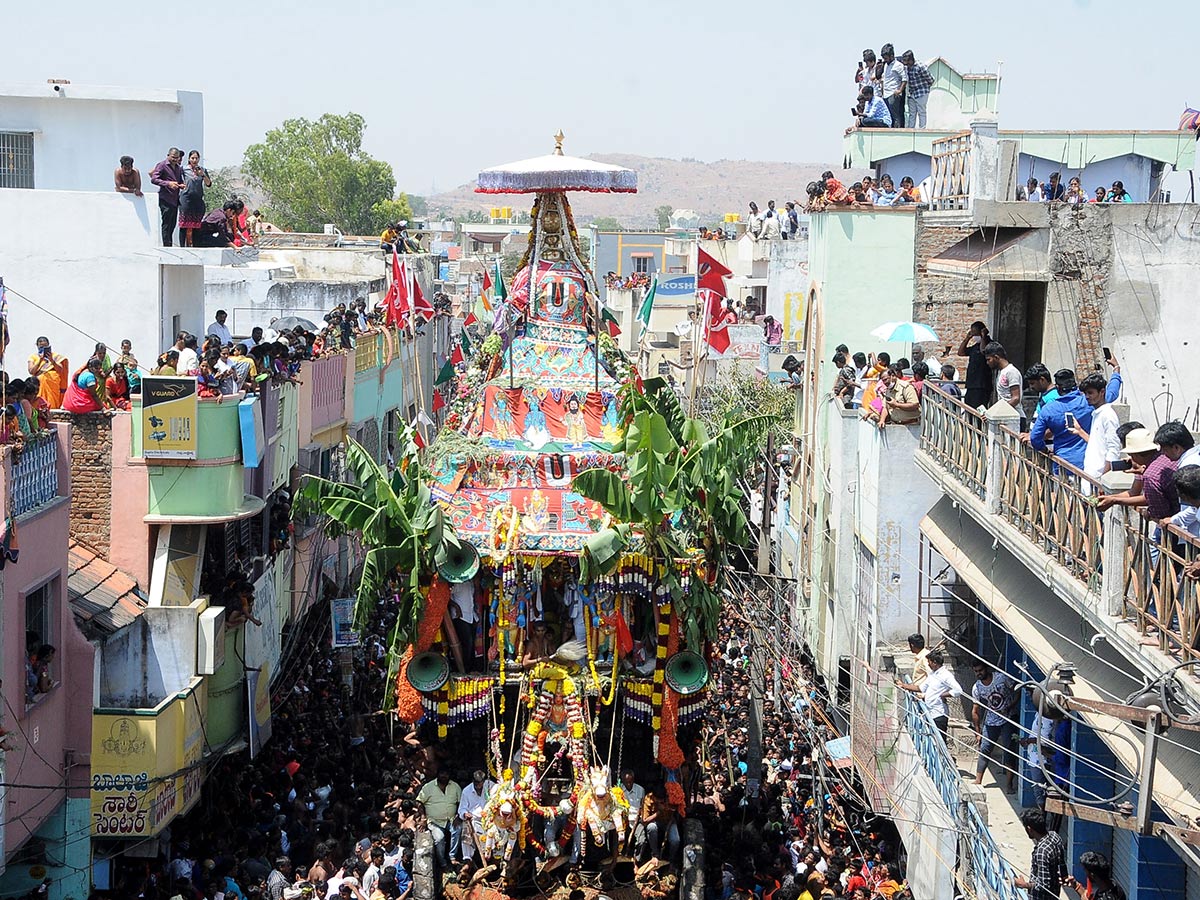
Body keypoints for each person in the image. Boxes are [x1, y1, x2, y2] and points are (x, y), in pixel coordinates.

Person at [1029, 369, 1093, 470]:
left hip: (1061, 463)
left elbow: (1035, 438)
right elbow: (1112, 393)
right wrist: (1116, 370)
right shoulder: (1089, 402)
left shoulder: (1049, 409)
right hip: (1086, 463)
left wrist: (1044, 449)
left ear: (1057, 387)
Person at [970, 661, 1017, 791]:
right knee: (985, 749)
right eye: (976, 671)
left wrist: (1010, 706)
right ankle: (978, 779)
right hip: (991, 722)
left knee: (1009, 751)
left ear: (987, 669)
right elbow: (975, 710)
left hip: (1008, 719)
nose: (979, 673)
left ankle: (1009, 785)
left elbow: (1017, 690)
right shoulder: (977, 688)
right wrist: (978, 732)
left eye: (981, 670)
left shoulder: (1001, 678)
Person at [895, 650, 961, 741]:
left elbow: (958, 690)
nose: (928, 664)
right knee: (931, 740)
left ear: (935, 662)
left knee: (939, 742)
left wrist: (943, 695)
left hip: (939, 714)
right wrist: (904, 686)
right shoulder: (933, 675)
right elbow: (921, 688)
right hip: (930, 713)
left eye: (929, 662)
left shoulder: (946, 675)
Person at [1074, 371, 1122, 488]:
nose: (1087, 397)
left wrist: (1103, 481)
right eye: (1085, 393)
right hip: (1090, 475)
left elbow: (1113, 450)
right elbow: (1097, 443)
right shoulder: (1097, 413)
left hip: (1098, 479)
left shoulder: (1108, 415)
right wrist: (1080, 431)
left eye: (1090, 393)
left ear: (1102, 392)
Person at [1013, 808, 1067, 900]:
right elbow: (1062, 864)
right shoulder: (1055, 836)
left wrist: (1024, 885)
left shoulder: (1042, 852)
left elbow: (1044, 886)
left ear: (1029, 829)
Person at [416, 770, 461, 866]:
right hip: (434, 821)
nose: (444, 775)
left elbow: (460, 803)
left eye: (446, 773)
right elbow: (419, 802)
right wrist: (423, 818)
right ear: (437, 775)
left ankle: (452, 856)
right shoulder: (428, 787)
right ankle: (442, 863)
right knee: (440, 838)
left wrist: (457, 815)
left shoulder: (455, 786)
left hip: (451, 819)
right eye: (442, 773)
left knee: (458, 829)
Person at [150, 147, 186, 246]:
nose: (175, 159)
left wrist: (181, 185)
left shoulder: (178, 168)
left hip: (174, 200)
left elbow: (179, 180)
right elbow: (154, 179)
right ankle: (166, 246)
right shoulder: (162, 165)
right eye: (173, 157)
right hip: (165, 199)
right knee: (166, 224)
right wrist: (168, 183)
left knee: (172, 224)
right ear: (168, 155)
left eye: (177, 158)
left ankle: (169, 245)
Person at [456, 770, 494, 864]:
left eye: (480, 782)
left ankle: (494, 856)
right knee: (466, 827)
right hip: (474, 819)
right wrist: (465, 814)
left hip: (490, 819)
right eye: (476, 782)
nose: (478, 785)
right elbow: (462, 809)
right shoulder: (466, 791)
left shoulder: (491, 786)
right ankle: (467, 858)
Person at [178, 150, 212, 247]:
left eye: (196, 158)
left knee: (196, 224)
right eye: (192, 158)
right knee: (184, 223)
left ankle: (196, 246)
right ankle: (182, 247)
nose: (194, 160)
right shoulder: (183, 169)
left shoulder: (203, 170)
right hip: (186, 199)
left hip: (197, 199)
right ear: (189, 159)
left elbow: (208, 184)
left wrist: (202, 175)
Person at [957, 321, 992, 409]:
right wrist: (967, 338)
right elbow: (961, 352)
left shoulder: (989, 344)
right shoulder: (975, 346)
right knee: (969, 407)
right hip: (971, 384)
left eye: (976, 334)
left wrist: (984, 336)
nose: (974, 336)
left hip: (982, 385)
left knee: (979, 408)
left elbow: (983, 351)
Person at [871, 364, 919, 428]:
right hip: (896, 425)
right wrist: (882, 420)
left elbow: (915, 405)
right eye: (883, 381)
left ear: (893, 376)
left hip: (911, 426)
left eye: (885, 379)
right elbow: (885, 408)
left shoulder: (905, 387)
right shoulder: (888, 390)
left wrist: (897, 405)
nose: (884, 383)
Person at [27, 337, 68, 409]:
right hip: (39, 383)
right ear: (37, 346)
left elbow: (60, 370)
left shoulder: (55, 356)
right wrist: (40, 360)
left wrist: (52, 360)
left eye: (45, 346)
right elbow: (31, 371)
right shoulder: (33, 357)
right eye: (41, 346)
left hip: (52, 382)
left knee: (52, 403)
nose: (43, 348)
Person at [983, 341, 1022, 412]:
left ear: (996, 357)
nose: (987, 363)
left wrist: (997, 411)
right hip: (1004, 415)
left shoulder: (1011, 371)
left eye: (989, 359)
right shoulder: (1001, 372)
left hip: (1014, 417)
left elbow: (1015, 398)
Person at [899, 50, 932, 128]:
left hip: (921, 92)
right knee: (912, 113)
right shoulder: (907, 67)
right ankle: (911, 130)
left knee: (921, 112)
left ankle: (922, 130)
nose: (905, 63)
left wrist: (924, 88)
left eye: (906, 61)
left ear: (911, 59)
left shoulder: (920, 66)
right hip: (912, 93)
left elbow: (930, 79)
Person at [879, 43, 906, 129]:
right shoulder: (886, 65)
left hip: (893, 93)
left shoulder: (898, 65)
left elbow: (905, 79)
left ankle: (897, 131)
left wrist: (900, 90)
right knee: (887, 115)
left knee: (895, 115)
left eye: (886, 58)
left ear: (891, 55)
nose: (885, 60)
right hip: (886, 94)